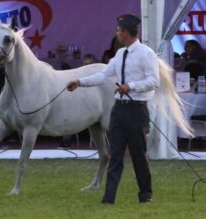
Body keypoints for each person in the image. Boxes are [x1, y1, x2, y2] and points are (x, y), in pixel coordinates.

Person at [66, 14, 159, 204]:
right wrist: (80, 82)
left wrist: (130, 86)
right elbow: (103, 75)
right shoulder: (120, 54)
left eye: (118, 30)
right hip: (119, 110)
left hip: (136, 110)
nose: (116, 33)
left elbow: (153, 81)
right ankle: (108, 198)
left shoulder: (146, 53)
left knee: (138, 156)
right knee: (115, 155)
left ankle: (145, 195)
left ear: (125, 32)